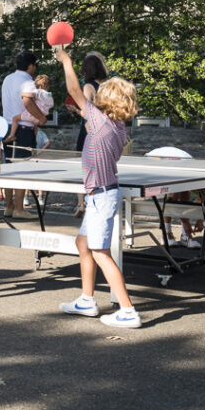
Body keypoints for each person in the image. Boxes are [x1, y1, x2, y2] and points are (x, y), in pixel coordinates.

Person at [54, 46, 142, 329]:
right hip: (99, 195)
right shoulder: (116, 126)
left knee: (101, 252)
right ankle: (87, 300)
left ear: (109, 101)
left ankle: (128, 310)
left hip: (101, 196)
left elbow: (75, 90)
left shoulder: (101, 123)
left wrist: (66, 60)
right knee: (83, 243)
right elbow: (81, 102)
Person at [0, 51, 43, 219]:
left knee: (9, 167)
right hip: (23, 128)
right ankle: (19, 208)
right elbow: (27, 101)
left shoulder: (7, 79)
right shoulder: (27, 81)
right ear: (30, 66)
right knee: (22, 168)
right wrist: (41, 117)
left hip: (7, 125)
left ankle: (9, 206)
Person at [66, 53, 109, 217]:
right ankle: (98, 199)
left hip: (89, 130)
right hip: (105, 130)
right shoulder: (107, 85)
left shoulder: (88, 87)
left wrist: (75, 110)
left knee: (83, 167)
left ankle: (81, 204)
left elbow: (87, 113)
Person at [9, 73, 53, 143]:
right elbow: (51, 105)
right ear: (48, 86)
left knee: (15, 118)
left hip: (32, 114)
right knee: (35, 126)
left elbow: (31, 95)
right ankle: (34, 139)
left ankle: (11, 135)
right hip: (40, 117)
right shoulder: (49, 95)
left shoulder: (38, 92)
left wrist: (22, 94)